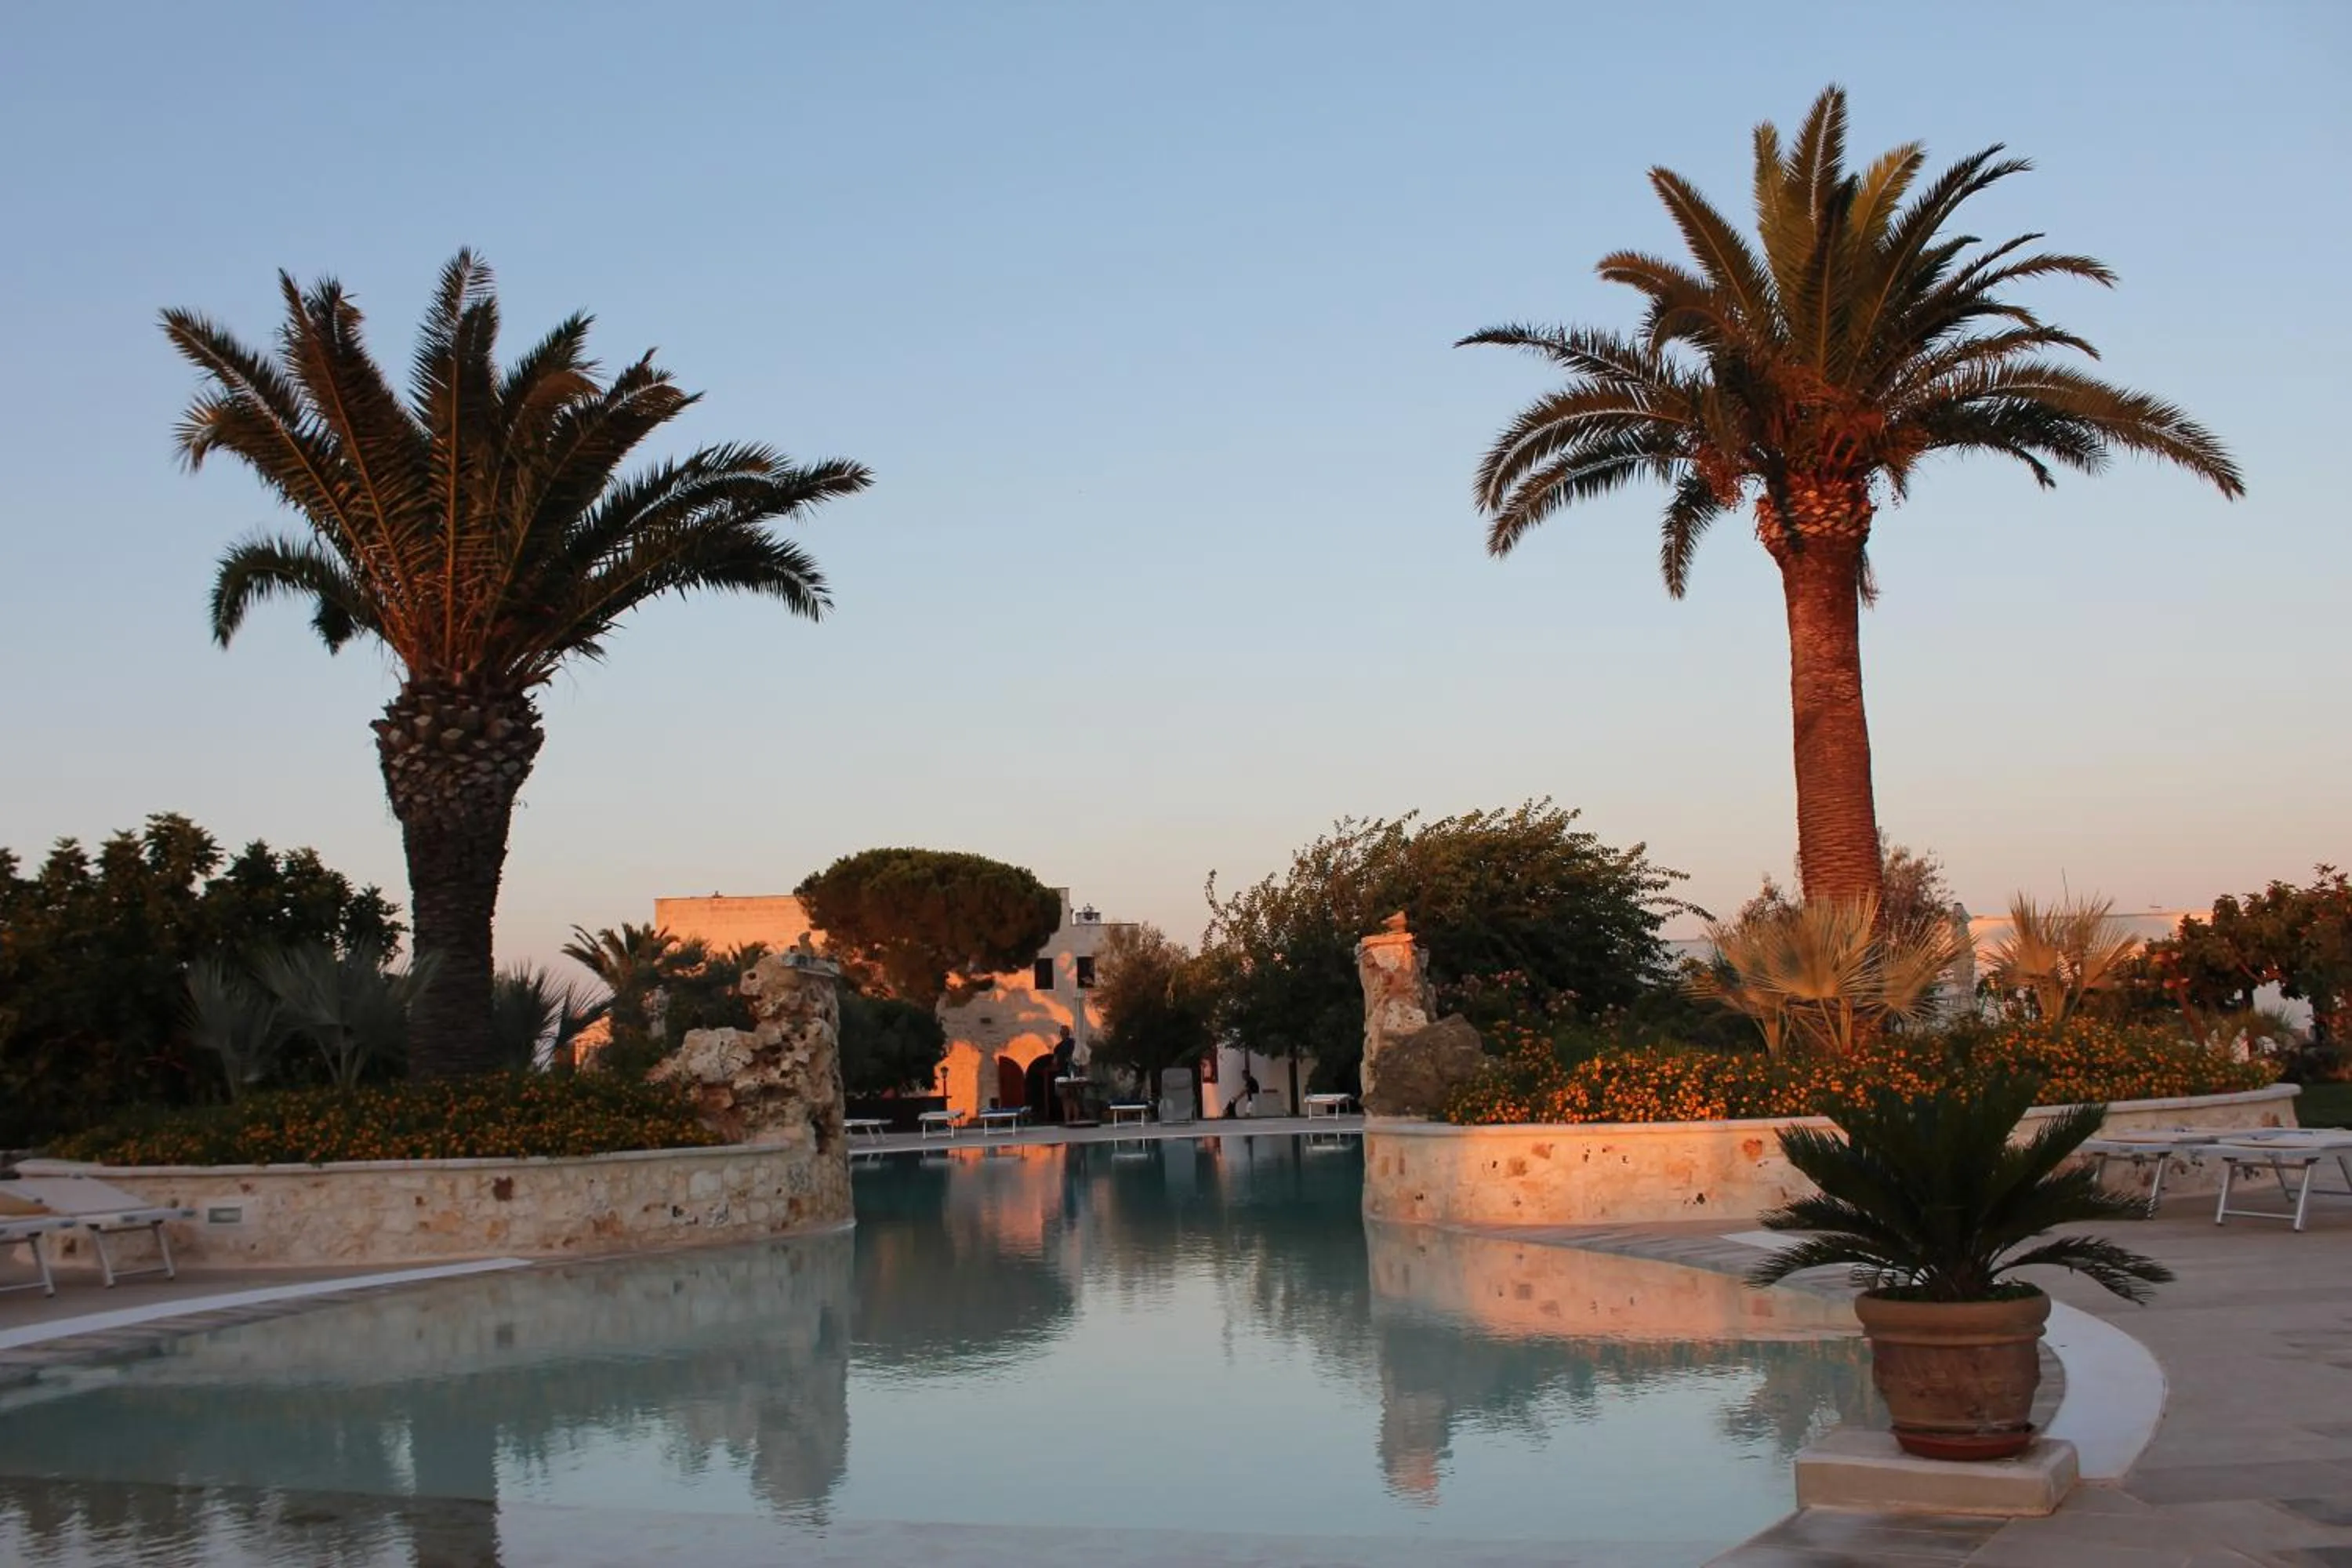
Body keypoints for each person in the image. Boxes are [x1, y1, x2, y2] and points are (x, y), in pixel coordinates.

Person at [1051, 1026, 1080, 1123]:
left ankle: (1067, 1120)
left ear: (1061, 1034)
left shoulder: (1058, 1047)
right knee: (1074, 1099)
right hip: (1073, 1074)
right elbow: (1079, 1059)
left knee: (1065, 1099)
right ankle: (1075, 1120)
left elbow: (1055, 1062)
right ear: (1069, 1033)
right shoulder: (1075, 1044)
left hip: (1062, 1075)